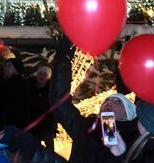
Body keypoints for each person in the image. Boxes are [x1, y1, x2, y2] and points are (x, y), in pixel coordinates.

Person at [50, 35, 139, 163]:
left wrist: (120, 156)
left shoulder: (134, 138)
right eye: (107, 100)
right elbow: (59, 102)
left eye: (118, 102)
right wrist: (62, 62)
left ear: (127, 114)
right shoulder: (84, 127)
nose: (109, 102)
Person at [0, 57, 31, 132]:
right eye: (5, 65)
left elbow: (25, 107)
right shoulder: (3, 83)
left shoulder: (23, 85)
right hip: (3, 125)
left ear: (17, 68)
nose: (5, 67)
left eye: (9, 65)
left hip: (14, 126)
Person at [29, 66, 58, 153]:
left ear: (48, 77)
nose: (41, 76)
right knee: (35, 148)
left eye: (44, 74)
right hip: (33, 123)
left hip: (48, 123)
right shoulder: (30, 88)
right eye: (40, 74)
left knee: (49, 148)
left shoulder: (52, 90)